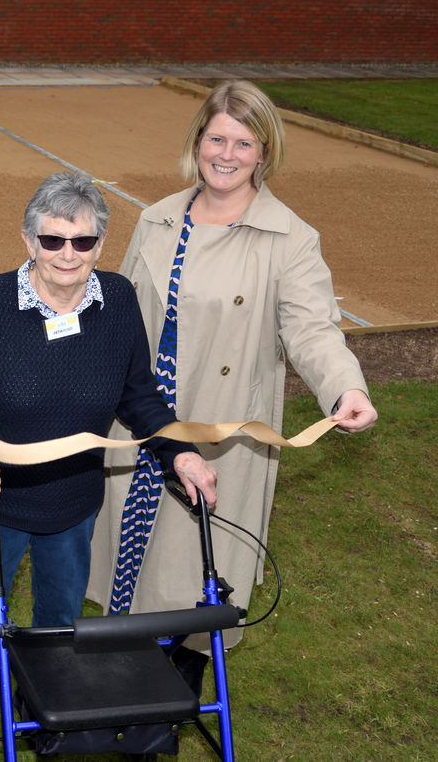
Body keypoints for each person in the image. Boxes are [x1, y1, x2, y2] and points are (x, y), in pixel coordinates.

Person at [86, 80, 377, 680]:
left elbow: (313, 329)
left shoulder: (289, 238)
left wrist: (346, 387)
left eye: (244, 143)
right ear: (197, 142)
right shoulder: (159, 218)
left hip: (216, 432)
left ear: (265, 154)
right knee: (128, 574)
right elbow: (115, 316)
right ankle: (114, 705)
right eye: (216, 137)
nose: (227, 153)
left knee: (189, 589)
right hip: (141, 421)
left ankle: (161, 714)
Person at [0, 172, 218, 757]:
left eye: (82, 242)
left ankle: (46, 718)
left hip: (72, 500)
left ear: (100, 245)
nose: (67, 253)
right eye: (52, 239)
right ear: (28, 239)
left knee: (61, 625)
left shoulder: (117, 303)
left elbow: (139, 395)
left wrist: (180, 449)